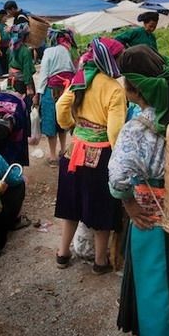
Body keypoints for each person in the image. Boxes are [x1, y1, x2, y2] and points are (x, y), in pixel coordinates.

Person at [109, 45, 169, 336]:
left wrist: (128, 204)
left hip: (151, 217)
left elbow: (118, 177)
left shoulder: (137, 130)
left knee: (156, 282)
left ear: (133, 90)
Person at [54, 38, 126, 274]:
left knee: (71, 203)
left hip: (74, 150)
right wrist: (118, 157)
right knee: (101, 207)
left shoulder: (80, 78)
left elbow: (61, 107)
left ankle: (63, 254)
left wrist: (71, 126)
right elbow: (115, 130)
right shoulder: (114, 88)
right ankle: (100, 261)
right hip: (101, 154)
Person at [34, 29, 76, 164]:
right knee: (62, 120)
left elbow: (44, 73)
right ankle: (63, 150)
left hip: (50, 91)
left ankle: (52, 156)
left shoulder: (49, 52)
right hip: (67, 90)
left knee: (50, 123)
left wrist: (38, 93)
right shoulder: (71, 51)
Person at [6, 22, 35, 99]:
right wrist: (29, 87)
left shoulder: (11, 48)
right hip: (22, 82)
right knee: (25, 103)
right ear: (24, 36)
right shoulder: (25, 51)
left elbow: (9, 63)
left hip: (12, 79)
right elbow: (27, 70)